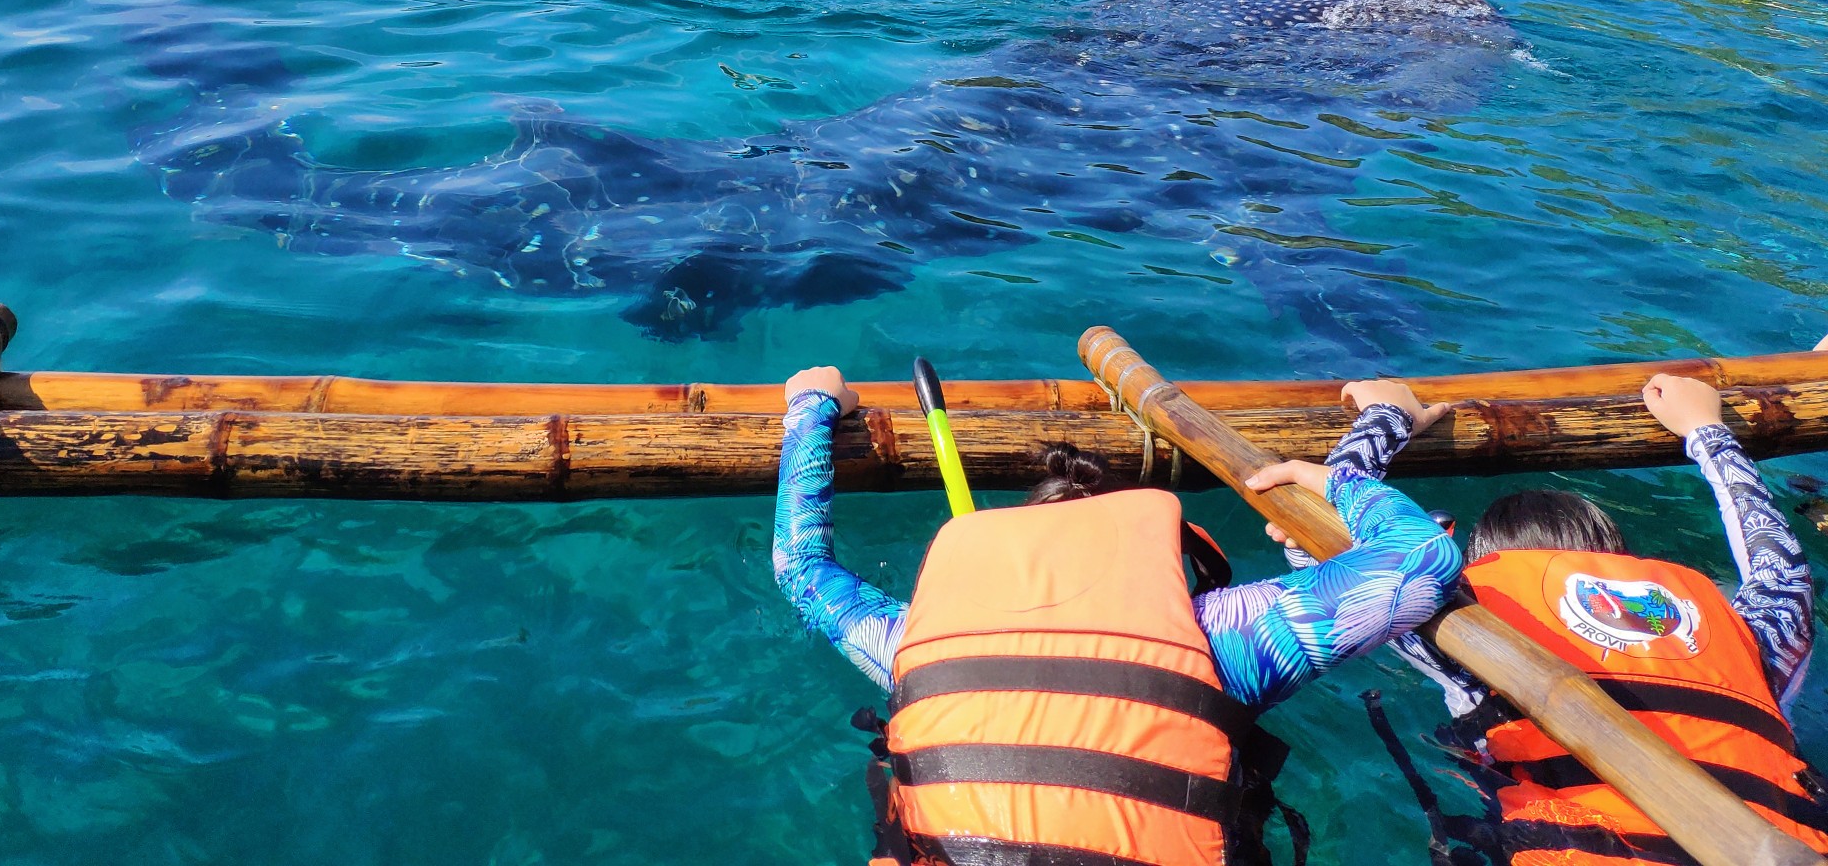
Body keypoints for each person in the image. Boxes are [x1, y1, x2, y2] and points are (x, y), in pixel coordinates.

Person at [774, 367, 1463, 866]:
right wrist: (1361, 450)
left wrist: (811, 407)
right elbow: (1422, 559)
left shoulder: (913, 645)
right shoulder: (1222, 634)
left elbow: (801, 570)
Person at [1343, 373, 1828, 863]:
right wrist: (1705, 429)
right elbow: (1781, 564)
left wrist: (1387, 418)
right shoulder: (1755, 638)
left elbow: (1323, 538)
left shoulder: (1461, 628)